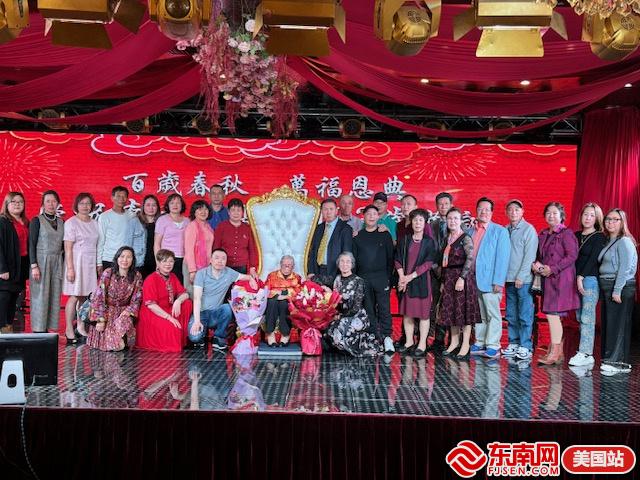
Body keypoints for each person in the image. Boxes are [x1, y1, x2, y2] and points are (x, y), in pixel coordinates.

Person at [532, 201, 579, 365]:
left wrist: (553, 269)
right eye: (548, 213)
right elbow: (539, 255)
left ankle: (555, 352)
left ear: (561, 216)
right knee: (552, 314)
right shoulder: (544, 234)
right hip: (547, 280)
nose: (551, 216)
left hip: (561, 279)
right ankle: (556, 352)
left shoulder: (567, 234)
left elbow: (572, 256)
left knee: (553, 314)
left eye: (555, 213)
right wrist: (536, 265)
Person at [187, 248, 257, 350]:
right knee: (195, 338)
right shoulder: (201, 274)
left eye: (223, 259)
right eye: (217, 258)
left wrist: (251, 279)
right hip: (201, 313)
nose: (220, 261)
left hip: (216, 313)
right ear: (211, 260)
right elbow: (197, 298)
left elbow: (245, 277)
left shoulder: (229, 273)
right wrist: (197, 321)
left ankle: (219, 337)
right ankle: (202, 334)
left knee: (227, 308)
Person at [469, 197, 510, 359]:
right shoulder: (471, 231)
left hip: (491, 280)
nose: (483, 212)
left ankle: (493, 344)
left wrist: (498, 281)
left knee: (492, 313)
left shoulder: (500, 231)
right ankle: (480, 341)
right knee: (479, 314)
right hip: (474, 280)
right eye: (480, 209)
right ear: (476, 211)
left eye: (487, 209)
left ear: (492, 212)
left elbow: (503, 258)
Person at [598, 208, 637, 375]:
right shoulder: (609, 241)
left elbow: (625, 268)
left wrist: (617, 290)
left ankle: (618, 363)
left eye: (615, 219)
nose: (610, 222)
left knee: (618, 325)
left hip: (620, 287)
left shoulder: (624, 241)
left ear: (622, 222)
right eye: (608, 219)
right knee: (610, 325)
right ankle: (611, 360)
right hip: (608, 287)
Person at [438, 207, 480, 360]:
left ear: (461, 220)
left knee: (465, 313)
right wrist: (443, 281)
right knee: (451, 312)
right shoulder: (447, 238)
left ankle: (465, 345)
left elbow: (470, 259)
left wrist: (462, 278)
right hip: (449, 278)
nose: (452, 221)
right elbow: (444, 263)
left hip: (463, 278)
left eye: (455, 218)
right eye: (450, 218)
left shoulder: (465, 238)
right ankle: (454, 343)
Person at [395, 209, 437, 357]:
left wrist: (410, 277)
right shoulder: (405, 240)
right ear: (411, 222)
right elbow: (398, 259)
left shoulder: (429, 242)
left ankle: (422, 344)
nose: (417, 223)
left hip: (421, 281)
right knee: (408, 314)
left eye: (420, 220)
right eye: (415, 220)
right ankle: (408, 342)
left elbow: (428, 263)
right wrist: (402, 277)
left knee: (424, 315)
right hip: (406, 281)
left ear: (425, 223)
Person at [353, 204, 394, 353]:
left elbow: (391, 258)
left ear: (378, 217)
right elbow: (354, 260)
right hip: (363, 278)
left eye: (374, 214)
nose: (371, 216)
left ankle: (387, 338)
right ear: (363, 217)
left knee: (384, 309)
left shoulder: (385, 234)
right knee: (368, 309)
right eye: (368, 214)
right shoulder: (357, 236)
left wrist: (389, 278)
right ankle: (372, 337)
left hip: (381, 277)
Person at [570, 202, 606, 367]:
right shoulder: (575, 235)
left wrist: (581, 277)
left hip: (590, 280)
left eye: (592, 215)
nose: (588, 218)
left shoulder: (599, 236)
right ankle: (585, 352)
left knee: (587, 317)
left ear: (597, 218)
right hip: (575, 280)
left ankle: (585, 353)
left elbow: (593, 260)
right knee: (579, 316)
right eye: (586, 214)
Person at [87, 246, 143, 352]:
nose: (125, 260)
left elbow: (137, 298)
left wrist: (128, 311)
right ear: (117, 258)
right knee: (117, 346)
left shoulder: (137, 276)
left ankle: (119, 340)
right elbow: (99, 297)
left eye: (128, 257)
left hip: (124, 313)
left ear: (133, 260)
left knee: (123, 326)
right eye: (122, 256)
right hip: (107, 312)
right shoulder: (108, 273)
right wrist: (100, 320)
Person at [502, 199, 538, 362]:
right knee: (511, 314)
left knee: (524, 314)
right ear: (506, 212)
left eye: (517, 209)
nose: (513, 212)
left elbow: (530, 256)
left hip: (523, 281)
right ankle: (514, 342)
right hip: (508, 279)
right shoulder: (505, 230)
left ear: (522, 212)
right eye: (510, 209)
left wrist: (521, 277)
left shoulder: (528, 229)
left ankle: (526, 346)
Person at [136, 249, 193, 352]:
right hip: (153, 313)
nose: (168, 264)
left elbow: (185, 294)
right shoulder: (151, 279)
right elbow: (151, 305)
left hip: (167, 309)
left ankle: (182, 337)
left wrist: (178, 301)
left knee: (187, 303)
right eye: (164, 261)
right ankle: (176, 334)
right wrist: (169, 318)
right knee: (173, 329)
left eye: (171, 261)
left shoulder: (173, 276)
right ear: (158, 263)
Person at [327, 252, 380, 357]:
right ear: (338, 264)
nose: (344, 264)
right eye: (342, 261)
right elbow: (319, 280)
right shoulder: (336, 279)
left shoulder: (358, 281)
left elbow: (356, 307)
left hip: (357, 315)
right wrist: (325, 288)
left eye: (348, 262)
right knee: (329, 329)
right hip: (341, 315)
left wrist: (340, 317)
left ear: (352, 264)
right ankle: (342, 348)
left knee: (342, 326)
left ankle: (351, 348)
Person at [63, 193, 99, 344]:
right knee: (74, 296)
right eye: (82, 203)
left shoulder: (95, 223)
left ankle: (80, 326)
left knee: (85, 297)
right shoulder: (71, 222)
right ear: (76, 205)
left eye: (88, 203)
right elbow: (68, 248)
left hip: (90, 263)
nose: (85, 206)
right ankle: (68, 329)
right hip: (76, 263)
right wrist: (70, 268)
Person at [29, 190, 64, 333]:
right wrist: (34, 266)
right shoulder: (36, 220)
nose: (51, 204)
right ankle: (38, 330)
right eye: (48, 201)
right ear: (43, 203)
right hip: (41, 262)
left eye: (54, 201)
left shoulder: (62, 222)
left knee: (54, 295)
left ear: (58, 203)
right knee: (40, 296)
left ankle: (49, 328)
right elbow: (31, 244)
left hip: (57, 262)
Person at [0, 192, 29, 334]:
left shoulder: (25, 222)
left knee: (13, 298)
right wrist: (2, 269)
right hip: (7, 268)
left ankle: (7, 328)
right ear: (7, 204)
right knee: (4, 298)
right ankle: (2, 328)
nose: (17, 204)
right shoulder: (2, 222)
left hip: (20, 266)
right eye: (14, 201)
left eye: (20, 202)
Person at [428, 192, 453, 351]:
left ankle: (453, 340)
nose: (443, 206)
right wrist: (435, 267)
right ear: (436, 206)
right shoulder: (432, 226)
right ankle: (438, 339)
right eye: (440, 204)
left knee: (451, 306)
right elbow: (428, 249)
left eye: (446, 204)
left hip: (453, 274)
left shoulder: (458, 224)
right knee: (436, 306)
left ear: (451, 205)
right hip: (435, 272)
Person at [307, 198, 353, 286]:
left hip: (335, 272)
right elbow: (313, 251)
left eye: (331, 209)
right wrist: (311, 271)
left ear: (336, 211)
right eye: (325, 209)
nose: (328, 212)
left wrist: (343, 275)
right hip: (317, 271)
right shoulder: (318, 228)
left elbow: (347, 253)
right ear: (322, 212)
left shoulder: (345, 229)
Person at [212, 198, 258, 276]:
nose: (236, 213)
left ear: (242, 212)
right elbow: (216, 247)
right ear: (228, 212)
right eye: (233, 210)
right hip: (224, 265)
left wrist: (252, 267)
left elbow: (252, 249)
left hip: (242, 267)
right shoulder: (221, 227)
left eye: (238, 210)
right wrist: (215, 263)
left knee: (241, 284)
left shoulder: (247, 228)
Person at [264, 255, 302, 347]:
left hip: (288, 300)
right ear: (280, 264)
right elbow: (266, 290)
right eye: (284, 264)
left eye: (289, 265)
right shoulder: (272, 275)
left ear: (293, 266)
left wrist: (284, 295)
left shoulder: (297, 277)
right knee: (272, 302)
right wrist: (279, 295)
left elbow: (298, 292)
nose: (286, 266)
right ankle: (270, 333)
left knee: (284, 304)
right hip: (273, 298)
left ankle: (285, 334)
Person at [97, 186, 136, 273]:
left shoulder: (132, 216)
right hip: (109, 258)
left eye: (124, 196)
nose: (121, 199)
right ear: (112, 198)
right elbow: (101, 240)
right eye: (118, 196)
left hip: (126, 260)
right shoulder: (104, 216)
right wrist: (99, 262)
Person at [154, 193, 189, 283]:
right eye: (172, 203)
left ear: (182, 205)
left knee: (181, 284)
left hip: (184, 259)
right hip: (167, 259)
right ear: (168, 205)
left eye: (178, 203)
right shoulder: (162, 220)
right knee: (168, 284)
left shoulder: (187, 221)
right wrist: (158, 262)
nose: (175, 205)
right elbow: (157, 243)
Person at [184, 200, 215, 295]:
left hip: (206, 266)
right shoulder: (192, 226)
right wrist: (192, 270)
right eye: (200, 209)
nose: (203, 212)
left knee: (203, 294)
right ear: (194, 212)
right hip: (192, 266)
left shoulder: (208, 226)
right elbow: (189, 250)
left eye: (206, 209)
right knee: (193, 294)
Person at [137, 194, 160, 278]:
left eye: (154, 205)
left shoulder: (161, 222)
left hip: (157, 260)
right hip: (140, 261)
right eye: (148, 205)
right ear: (143, 207)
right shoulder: (137, 222)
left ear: (157, 207)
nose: (151, 208)